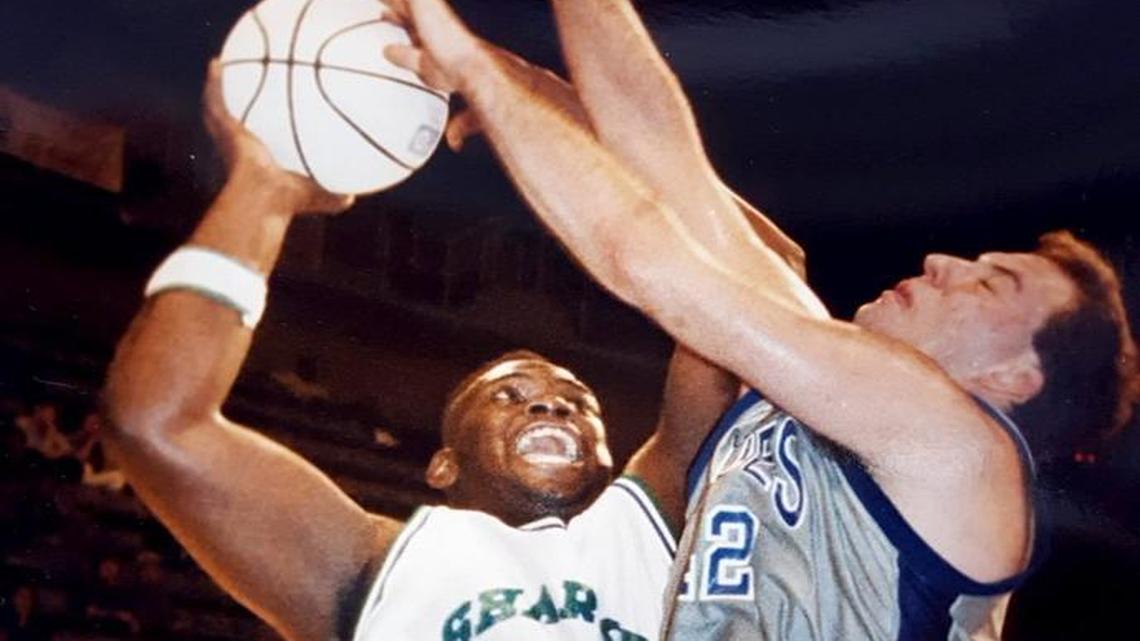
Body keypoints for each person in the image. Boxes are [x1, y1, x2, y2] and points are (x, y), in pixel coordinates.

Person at [380, 0, 1139, 638]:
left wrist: (475, 69)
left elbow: (645, 259)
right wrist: (536, 92)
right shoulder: (826, 385)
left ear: (1013, 375)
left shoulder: (961, 453)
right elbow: (673, 169)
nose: (945, 261)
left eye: (990, 283)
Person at [98, 59, 717, 641]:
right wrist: (262, 190)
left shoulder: (647, 525)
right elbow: (157, 422)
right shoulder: (375, 563)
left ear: (610, 457)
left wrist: (586, 130)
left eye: (578, 403)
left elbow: (749, 283)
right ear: (443, 466)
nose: (551, 406)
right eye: (508, 396)